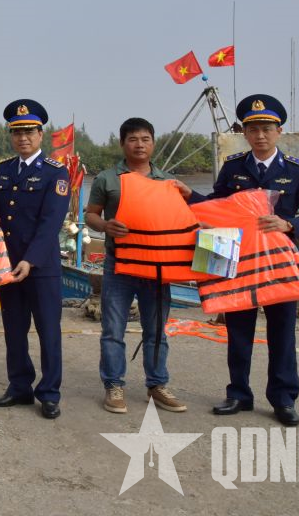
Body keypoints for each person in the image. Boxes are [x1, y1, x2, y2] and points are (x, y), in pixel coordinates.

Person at [207, 94, 299, 426]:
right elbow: (215, 206)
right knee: (239, 331)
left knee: (282, 334)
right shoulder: (233, 167)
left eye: (266, 128)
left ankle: (283, 399)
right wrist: (183, 196)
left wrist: (290, 224)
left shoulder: (297, 171)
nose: (260, 135)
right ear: (245, 133)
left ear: (279, 131)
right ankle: (238, 394)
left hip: (280, 265)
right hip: (241, 262)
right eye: (253, 129)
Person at [84, 117, 194, 415]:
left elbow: (186, 221)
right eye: (133, 139)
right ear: (123, 144)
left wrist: (189, 197)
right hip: (119, 266)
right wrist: (106, 225)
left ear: (153, 143)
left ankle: (157, 384)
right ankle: (114, 385)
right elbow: (90, 216)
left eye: (145, 139)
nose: (139, 144)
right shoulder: (107, 179)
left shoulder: (169, 182)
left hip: (159, 269)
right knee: (112, 330)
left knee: (157, 330)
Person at [0, 99, 70, 419]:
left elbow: (51, 223)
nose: (23, 138)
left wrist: (31, 260)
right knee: (14, 329)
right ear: (11, 135)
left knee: (48, 331)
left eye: (29, 132)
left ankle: (49, 393)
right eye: (17, 132)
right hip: (7, 264)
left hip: (41, 267)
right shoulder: (5, 169)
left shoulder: (55, 172)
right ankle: (19, 387)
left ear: (40, 134)